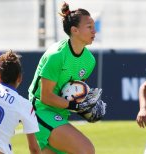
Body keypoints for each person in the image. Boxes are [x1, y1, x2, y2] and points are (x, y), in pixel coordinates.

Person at [28, 2, 106, 154]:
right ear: (74, 30)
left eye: (93, 26)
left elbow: (72, 91)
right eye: (89, 27)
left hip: (60, 113)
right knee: (86, 150)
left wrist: (84, 103)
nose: (94, 31)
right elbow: (45, 97)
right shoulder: (56, 55)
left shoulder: (89, 60)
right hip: (40, 110)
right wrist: (76, 107)